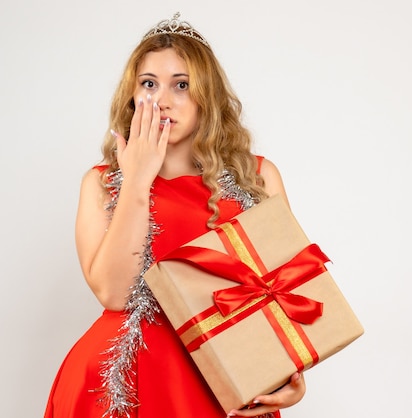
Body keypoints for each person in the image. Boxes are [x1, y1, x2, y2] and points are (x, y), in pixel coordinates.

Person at [44, 12, 306, 418]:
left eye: (181, 85)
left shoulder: (258, 177)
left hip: (224, 382)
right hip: (119, 384)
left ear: (208, 96)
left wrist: (292, 371)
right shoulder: (101, 183)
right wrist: (137, 180)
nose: (162, 99)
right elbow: (114, 294)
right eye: (148, 84)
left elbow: (291, 292)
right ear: (132, 97)